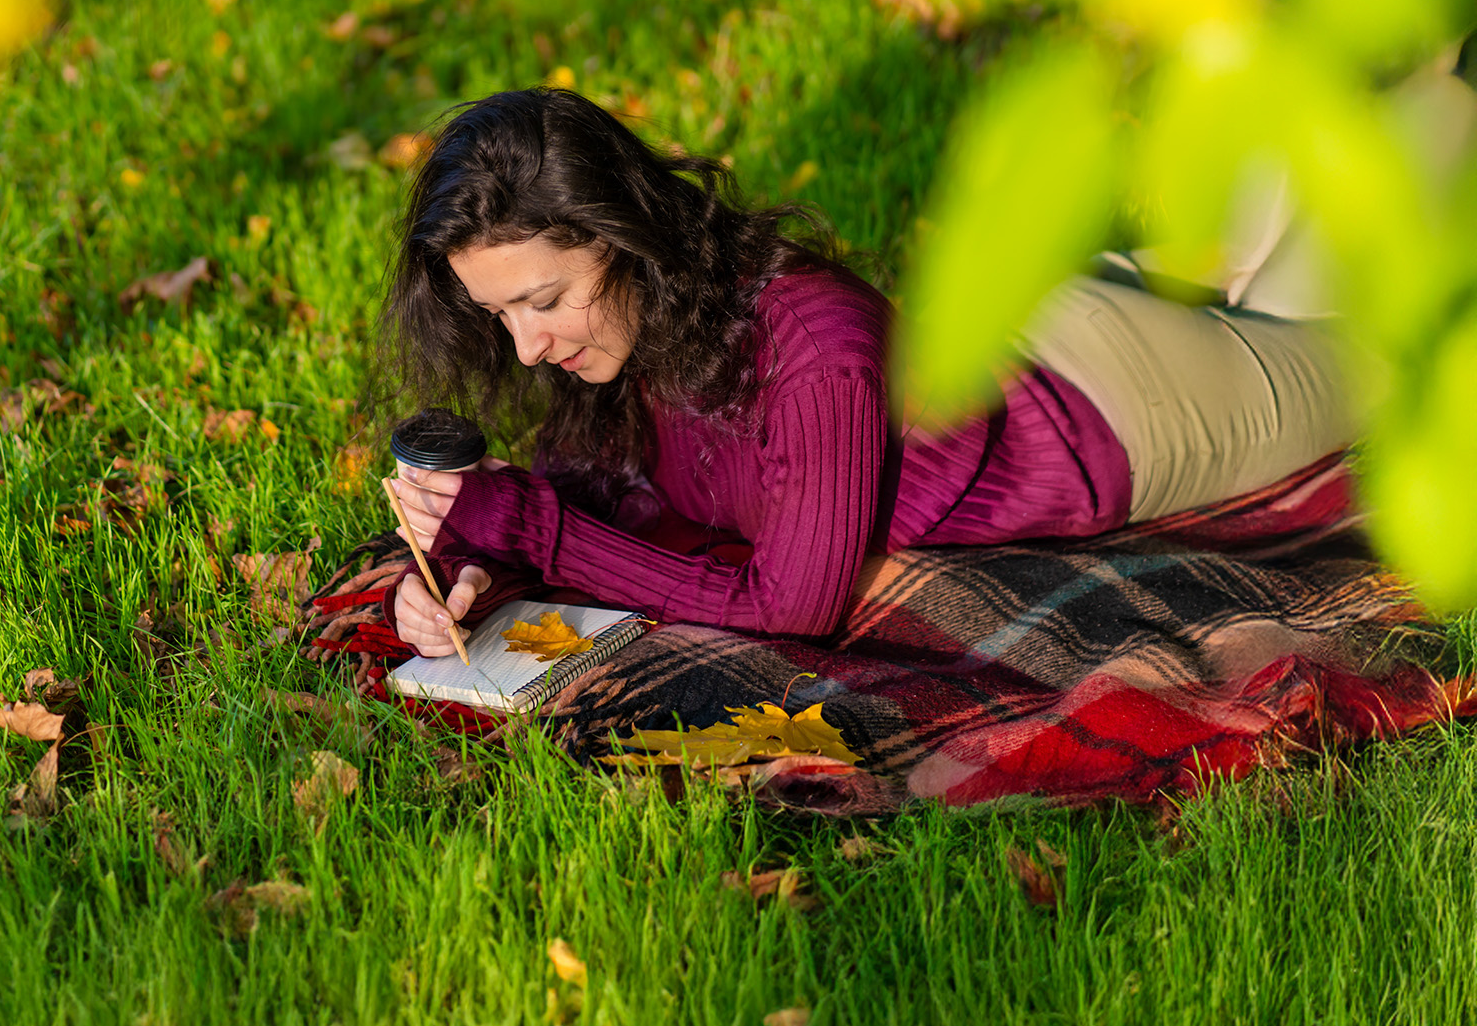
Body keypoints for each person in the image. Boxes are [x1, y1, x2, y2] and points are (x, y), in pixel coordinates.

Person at [377, 84, 1374, 661]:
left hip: (1125, 408)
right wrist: (471, 568)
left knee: (1377, 339)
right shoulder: (644, 329)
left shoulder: (812, 348)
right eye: (497, 314)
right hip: (1025, 328)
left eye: (545, 301)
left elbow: (792, 607)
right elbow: (586, 495)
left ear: (623, 238)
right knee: (1284, 249)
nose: (526, 348)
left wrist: (529, 528)